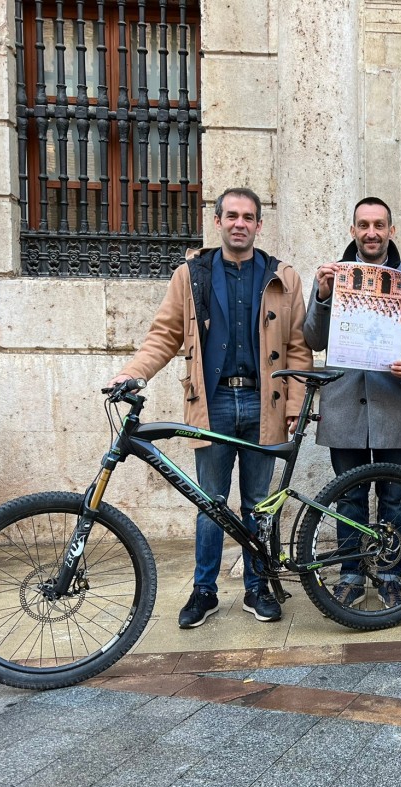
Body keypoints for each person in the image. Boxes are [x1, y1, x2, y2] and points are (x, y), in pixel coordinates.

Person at [108, 187, 312, 629]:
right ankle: (205, 591)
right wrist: (133, 372)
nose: (240, 223)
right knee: (209, 502)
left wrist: (295, 404)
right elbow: (164, 334)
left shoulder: (283, 276)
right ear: (217, 221)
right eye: (232, 215)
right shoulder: (192, 274)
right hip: (214, 401)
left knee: (259, 502)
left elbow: (297, 346)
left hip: (265, 403)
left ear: (259, 225)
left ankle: (257, 586)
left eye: (249, 217)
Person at [302, 197, 401, 609]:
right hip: (345, 403)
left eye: (380, 224)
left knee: (394, 495)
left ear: (392, 230)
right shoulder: (332, 277)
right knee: (350, 497)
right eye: (364, 225)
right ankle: (351, 574)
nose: (372, 232)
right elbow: (312, 338)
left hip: (394, 402)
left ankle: (390, 574)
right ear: (353, 230)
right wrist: (323, 296)